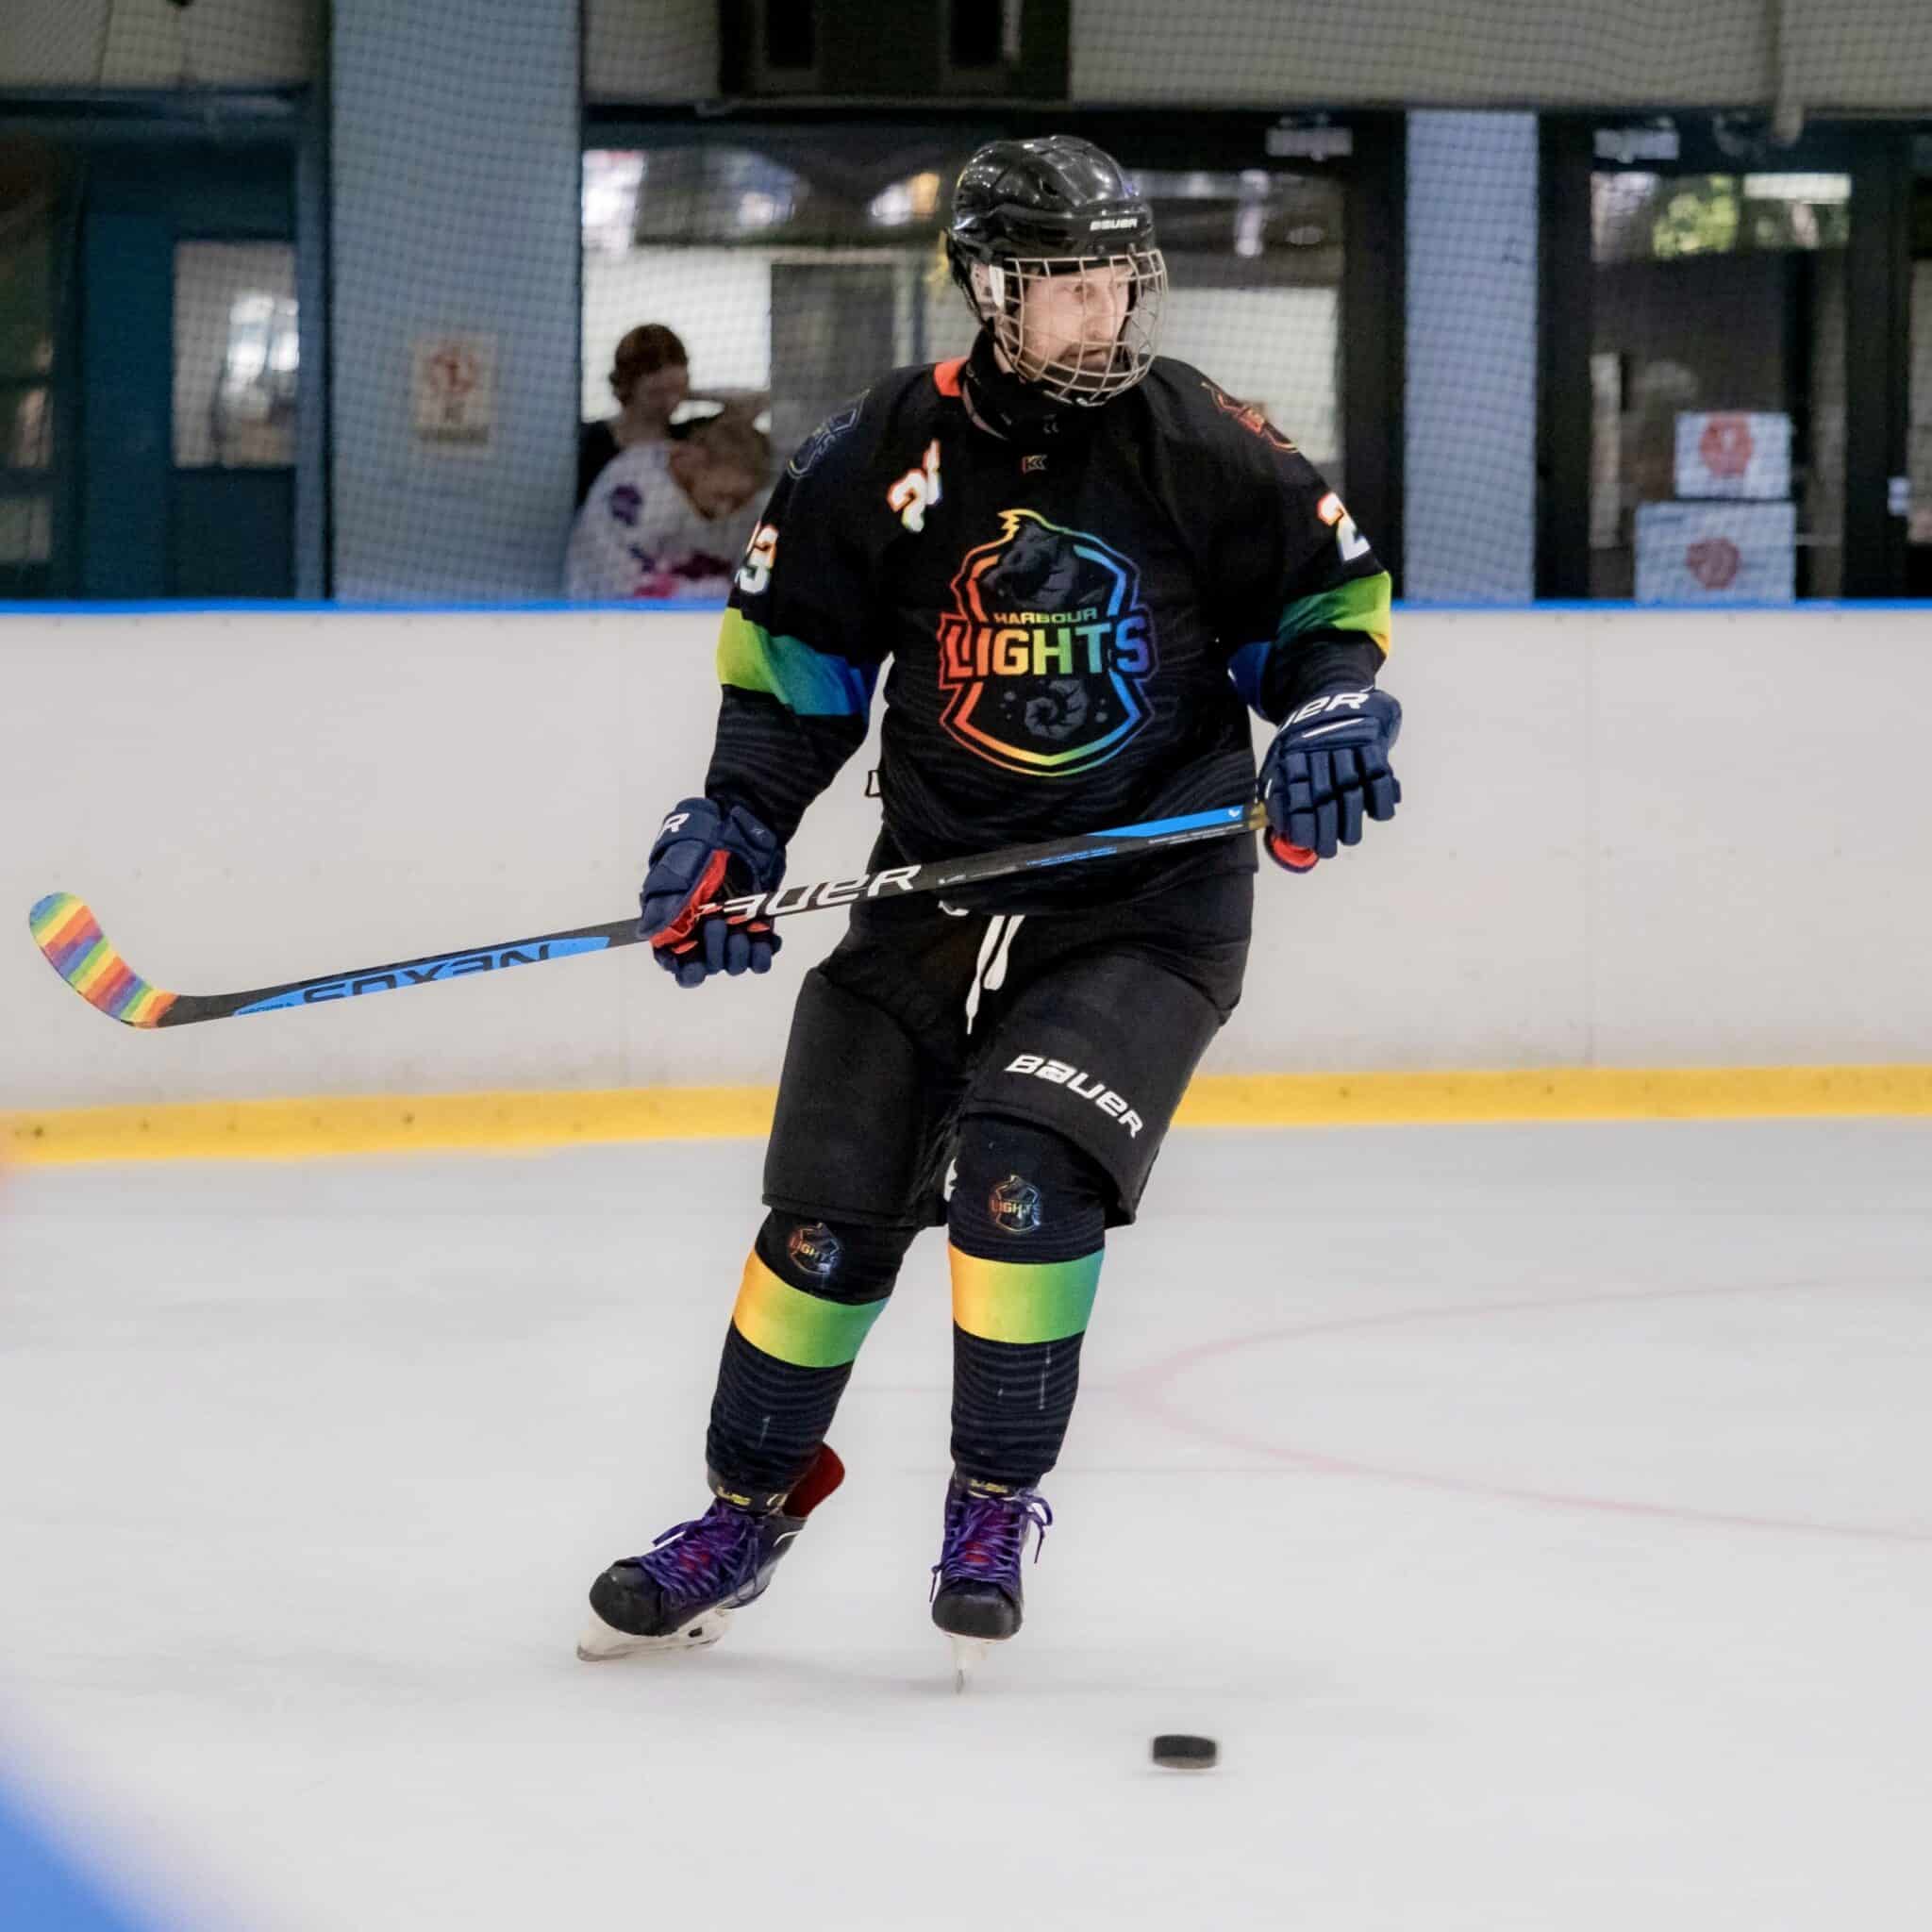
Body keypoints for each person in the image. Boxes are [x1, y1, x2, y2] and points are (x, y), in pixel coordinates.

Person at [580, 136, 1403, 1679]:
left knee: (1023, 1176)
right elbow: (794, 671)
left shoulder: (1199, 441)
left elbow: (1319, 610)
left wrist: (1329, 712)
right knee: (823, 1222)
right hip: (934, 891)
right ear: (986, 290)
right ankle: (745, 1510)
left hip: (1143, 904)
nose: (1103, 315)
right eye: (1067, 288)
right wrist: (734, 822)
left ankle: (992, 1504)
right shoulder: (880, 450)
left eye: (1117, 283)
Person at [564, 409, 771, 601]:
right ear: (693, 463)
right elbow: (618, 583)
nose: (725, 510)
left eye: (739, 501)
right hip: (599, 613)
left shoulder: (750, 509)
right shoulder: (637, 488)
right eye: (721, 496)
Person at [577, 322, 690, 508]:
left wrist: (696, 395)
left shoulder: (689, 437)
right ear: (628, 385)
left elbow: (745, 407)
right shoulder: (591, 440)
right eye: (657, 393)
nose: (670, 402)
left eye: (678, 390)